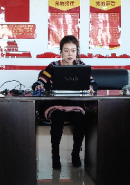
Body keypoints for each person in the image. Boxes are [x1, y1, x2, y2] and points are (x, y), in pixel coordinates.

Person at [33, 36, 98, 170]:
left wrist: (91, 88)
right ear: (61, 52)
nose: (70, 54)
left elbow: (93, 83)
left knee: (80, 119)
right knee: (58, 118)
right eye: (66, 50)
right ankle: (55, 155)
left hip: (75, 105)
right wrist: (38, 86)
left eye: (73, 50)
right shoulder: (53, 66)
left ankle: (76, 154)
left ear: (77, 52)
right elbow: (40, 81)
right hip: (55, 105)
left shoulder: (81, 67)